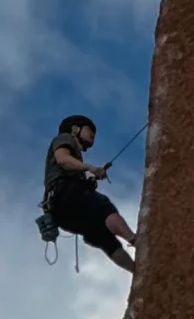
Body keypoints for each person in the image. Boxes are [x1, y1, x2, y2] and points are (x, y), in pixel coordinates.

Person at [43, 115, 137, 273]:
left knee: (103, 237)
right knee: (104, 208)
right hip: (65, 194)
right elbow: (63, 159)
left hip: (59, 211)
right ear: (75, 128)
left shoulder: (74, 159)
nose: (93, 133)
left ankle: (137, 271)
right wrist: (91, 168)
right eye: (90, 129)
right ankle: (135, 240)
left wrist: (88, 180)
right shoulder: (65, 138)